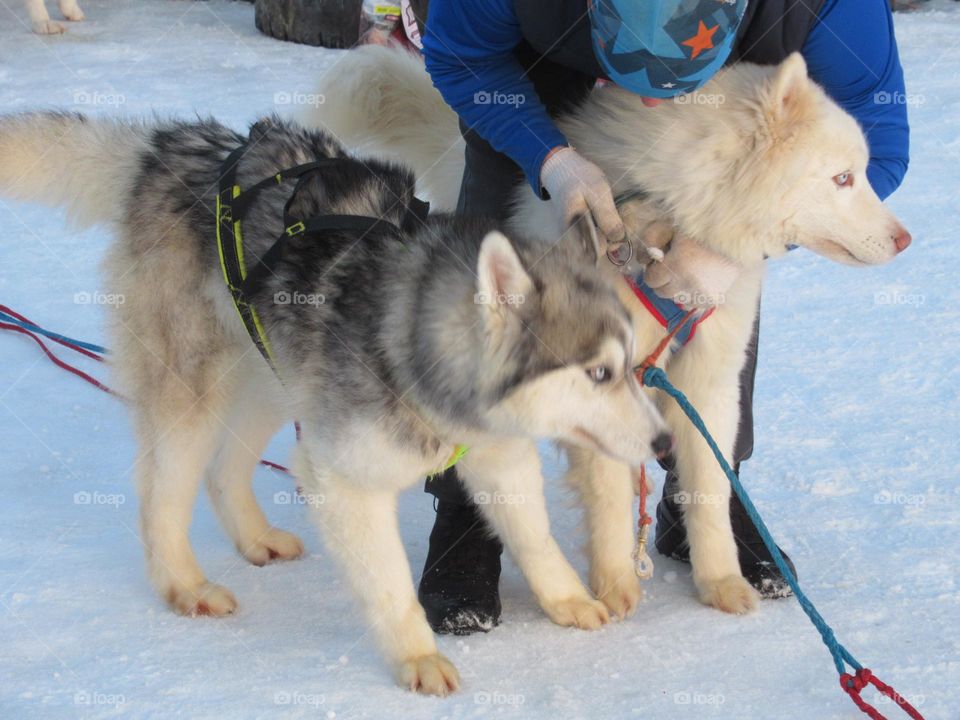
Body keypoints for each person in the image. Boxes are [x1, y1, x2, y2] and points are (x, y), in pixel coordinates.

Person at [415, 0, 910, 634]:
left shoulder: (831, 8)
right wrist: (550, 158)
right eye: (638, 79)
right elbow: (462, 56)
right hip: (535, 78)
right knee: (495, 274)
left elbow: (881, 133)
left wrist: (748, 245)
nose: (656, 101)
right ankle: (467, 512)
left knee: (715, 352)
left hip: (739, 125)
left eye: (671, 85)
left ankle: (706, 503)